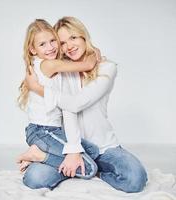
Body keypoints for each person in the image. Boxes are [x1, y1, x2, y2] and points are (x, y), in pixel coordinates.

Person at [23, 16, 148, 193]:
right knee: (34, 179)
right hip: (67, 146)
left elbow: (75, 104)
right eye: (63, 42)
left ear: (83, 36)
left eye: (73, 38)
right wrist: (72, 150)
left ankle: (89, 169)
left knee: (135, 179)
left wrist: (37, 88)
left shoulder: (106, 67)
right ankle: (73, 163)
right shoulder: (62, 71)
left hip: (102, 147)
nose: (69, 46)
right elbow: (66, 108)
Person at [17, 19, 100, 189]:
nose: (50, 47)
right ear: (33, 49)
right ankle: (40, 155)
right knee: (90, 168)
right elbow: (87, 64)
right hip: (43, 131)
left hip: (51, 131)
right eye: (42, 44)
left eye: (53, 41)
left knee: (93, 151)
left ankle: (47, 161)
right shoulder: (48, 64)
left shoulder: (45, 64)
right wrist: (94, 52)